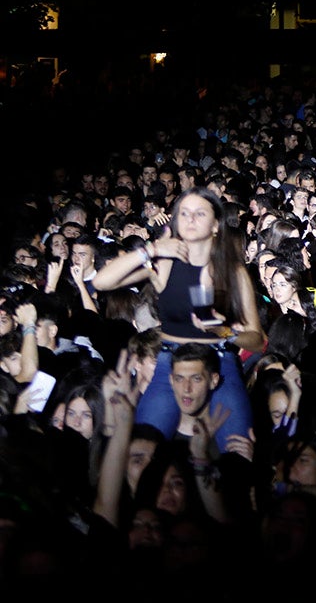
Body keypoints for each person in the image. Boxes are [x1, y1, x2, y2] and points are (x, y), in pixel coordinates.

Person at [92, 187, 265, 452]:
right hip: (170, 362)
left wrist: (223, 330)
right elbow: (102, 282)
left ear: (216, 224)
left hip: (219, 362)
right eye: (183, 213)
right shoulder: (165, 262)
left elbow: (257, 341)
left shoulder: (233, 271)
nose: (190, 219)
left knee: (238, 452)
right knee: (143, 450)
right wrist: (150, 250)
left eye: (199, 213)